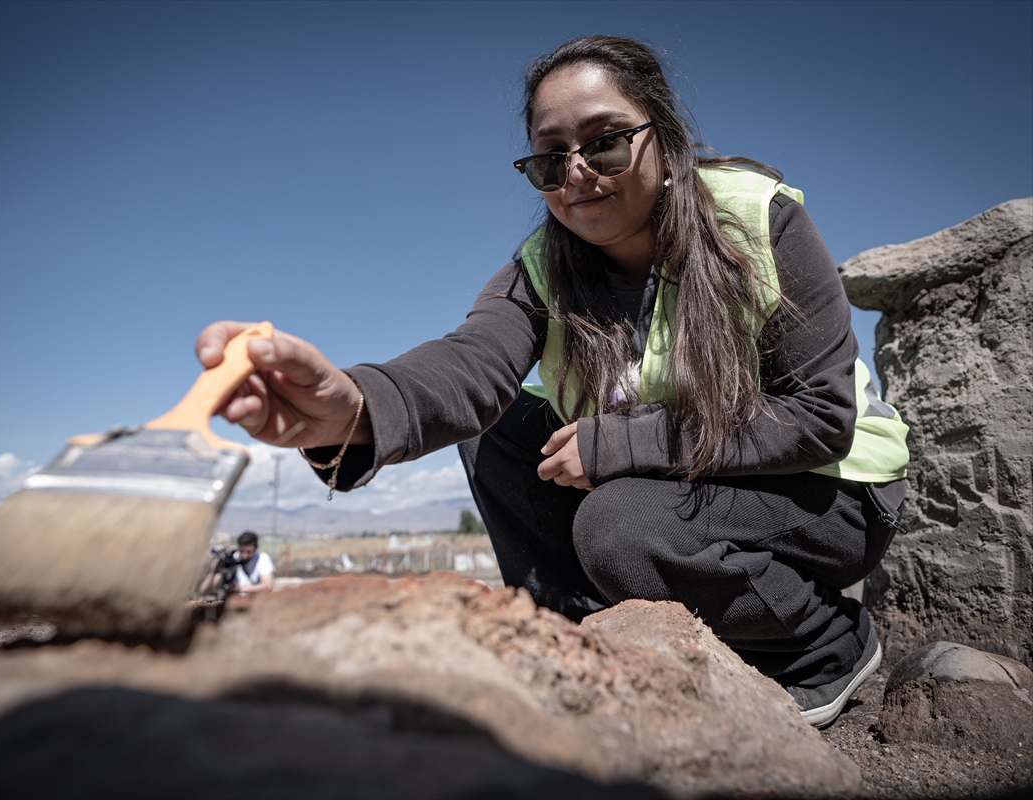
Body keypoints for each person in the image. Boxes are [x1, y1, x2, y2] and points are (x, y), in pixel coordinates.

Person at [194, 35, 908, 728]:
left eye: (604, 142)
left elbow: (818, 417)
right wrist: (351, 408)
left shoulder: (758, 222)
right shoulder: (542, 267)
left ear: (663, 136)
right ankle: (582, 636)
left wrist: (621, 442)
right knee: (498, 428)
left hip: (829, 490)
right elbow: (472, 363)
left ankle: (825, 643)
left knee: (622, 524)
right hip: (696, 481)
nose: (577, 174)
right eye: (549, 160)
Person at [199, 531, 275, 599]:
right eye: (242, 551)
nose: (244, 555)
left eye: (249, 552)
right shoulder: (231, 559)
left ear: (256, 548)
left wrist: (239, 589)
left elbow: (268, 586)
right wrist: (214, 571)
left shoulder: (262, 558)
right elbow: (204, 591)